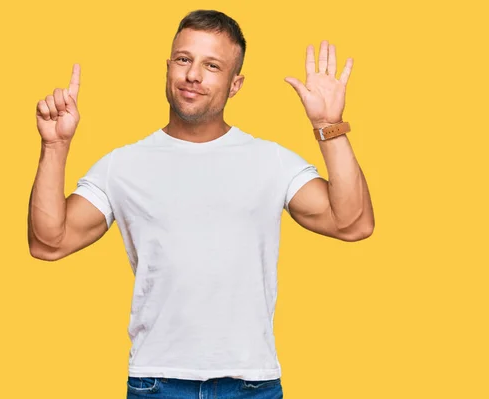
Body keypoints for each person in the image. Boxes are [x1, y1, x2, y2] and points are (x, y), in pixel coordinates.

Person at [28, 9, 374, 399]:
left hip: (251, 384)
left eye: (212, 65)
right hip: (156, 382)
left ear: (235, 84)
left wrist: (329, 126)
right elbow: (48, 242)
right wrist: (55, 146)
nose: (193, 75)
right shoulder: (122, 165)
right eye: (184, 59)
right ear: (168, 66)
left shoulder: (271, 161)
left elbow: (353, 224)